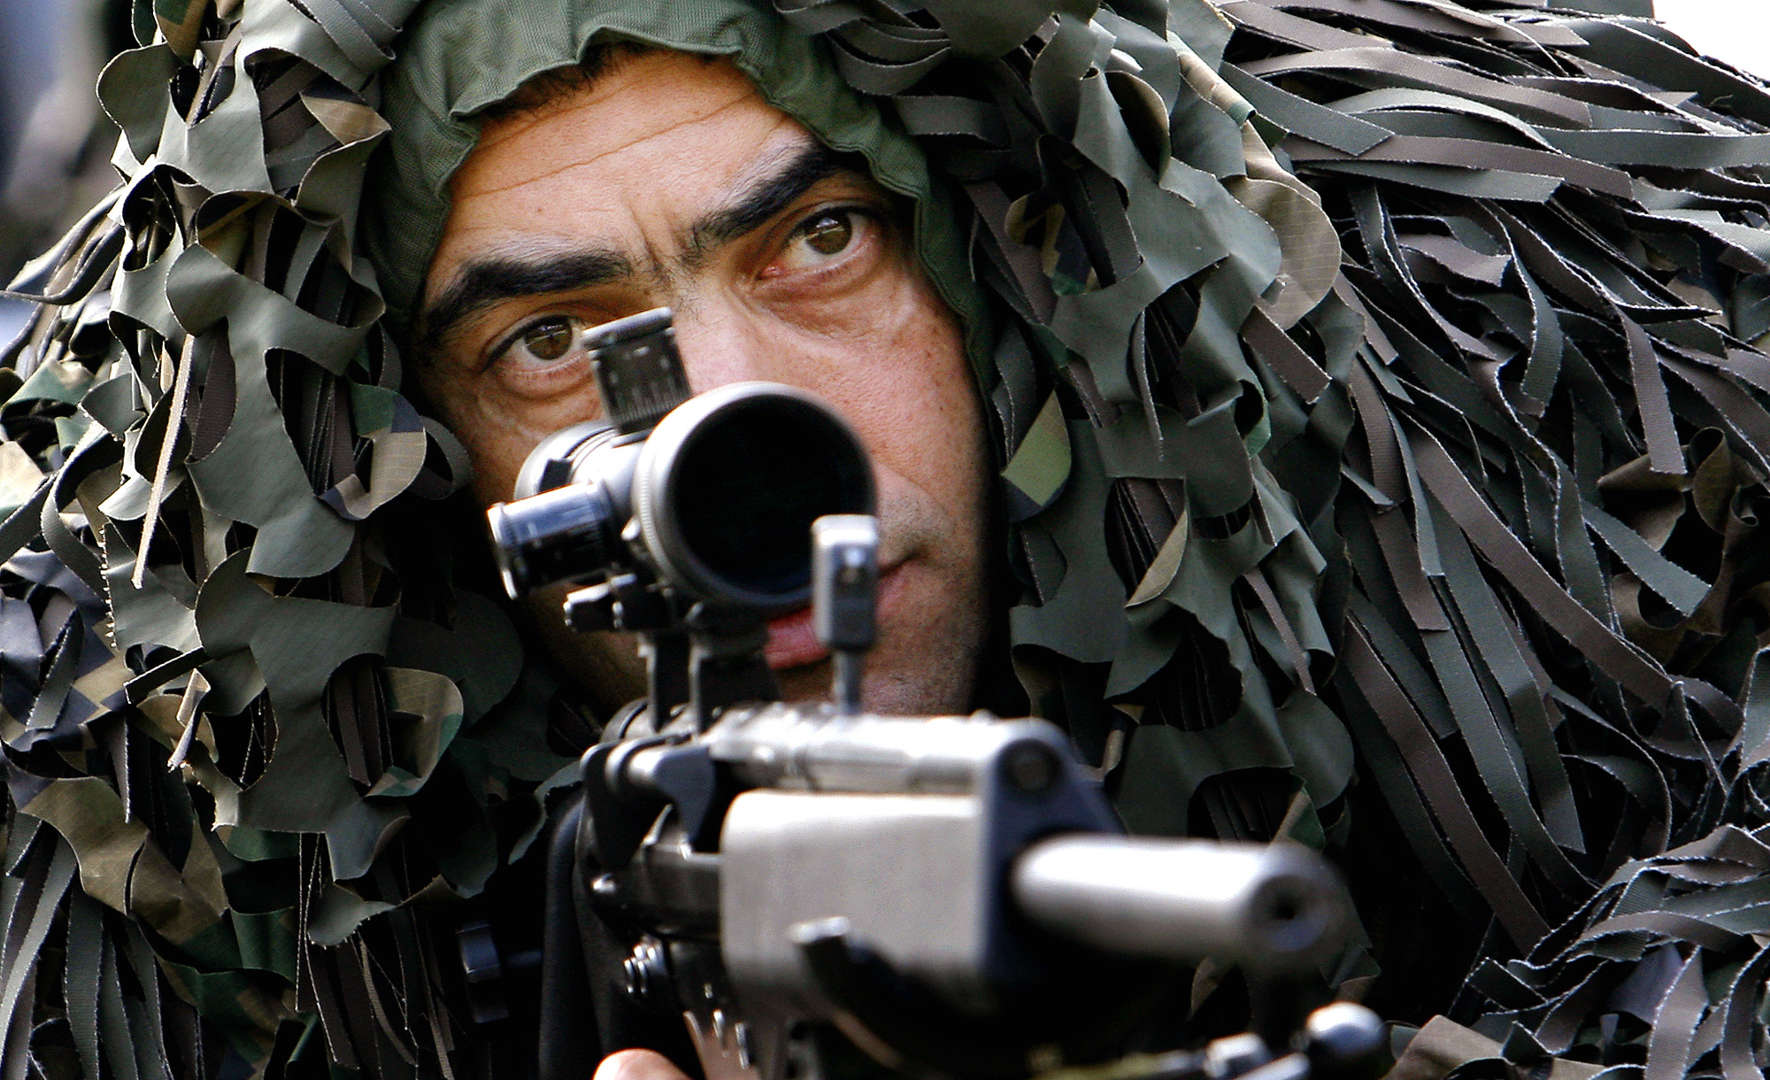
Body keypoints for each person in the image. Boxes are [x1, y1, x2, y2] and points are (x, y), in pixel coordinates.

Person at [5, 1, 1770, 1078]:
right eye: (546, 345)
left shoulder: (1483, 556)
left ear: (1000, 284)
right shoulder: (216, 872)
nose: (742, 421)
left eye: (822, 242)